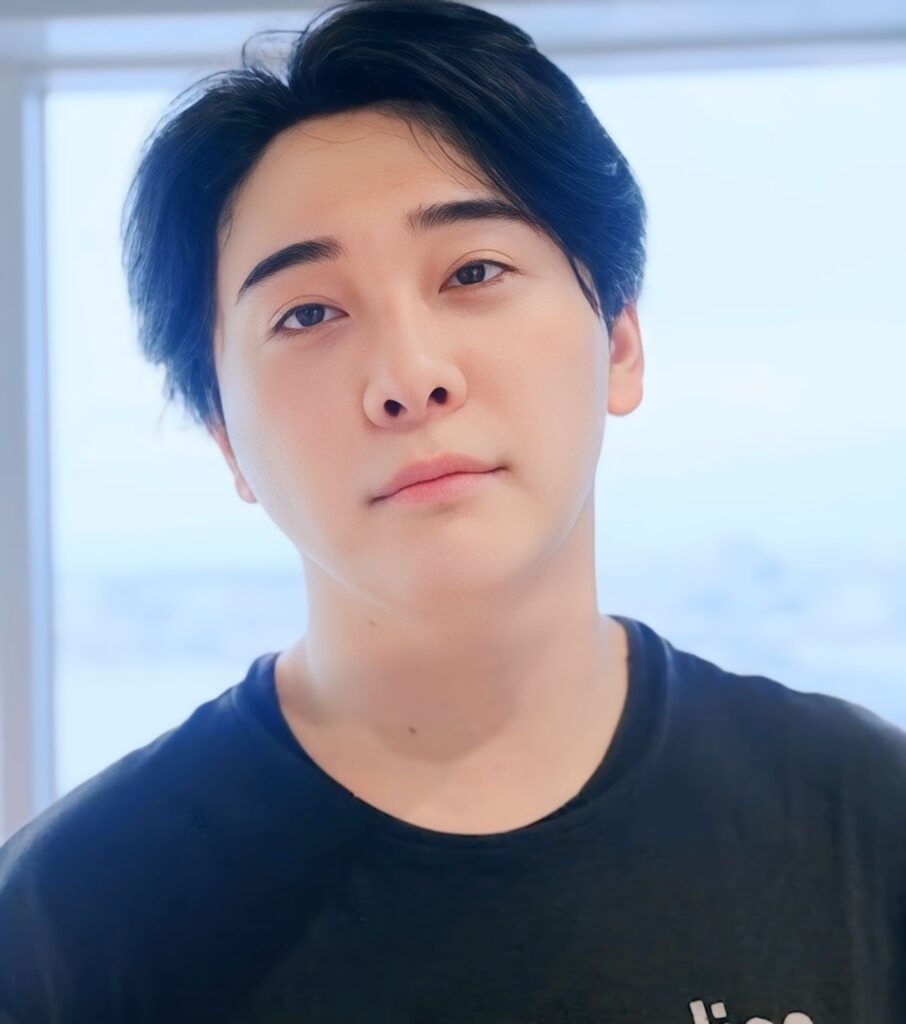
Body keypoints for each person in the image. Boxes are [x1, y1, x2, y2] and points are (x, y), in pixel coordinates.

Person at [1, 1, 903, 1021]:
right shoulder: (64, 923)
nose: (409, 376)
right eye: (308, 313)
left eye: (475, 271)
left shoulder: (862, 819)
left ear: (619, 341)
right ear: (224, 437)